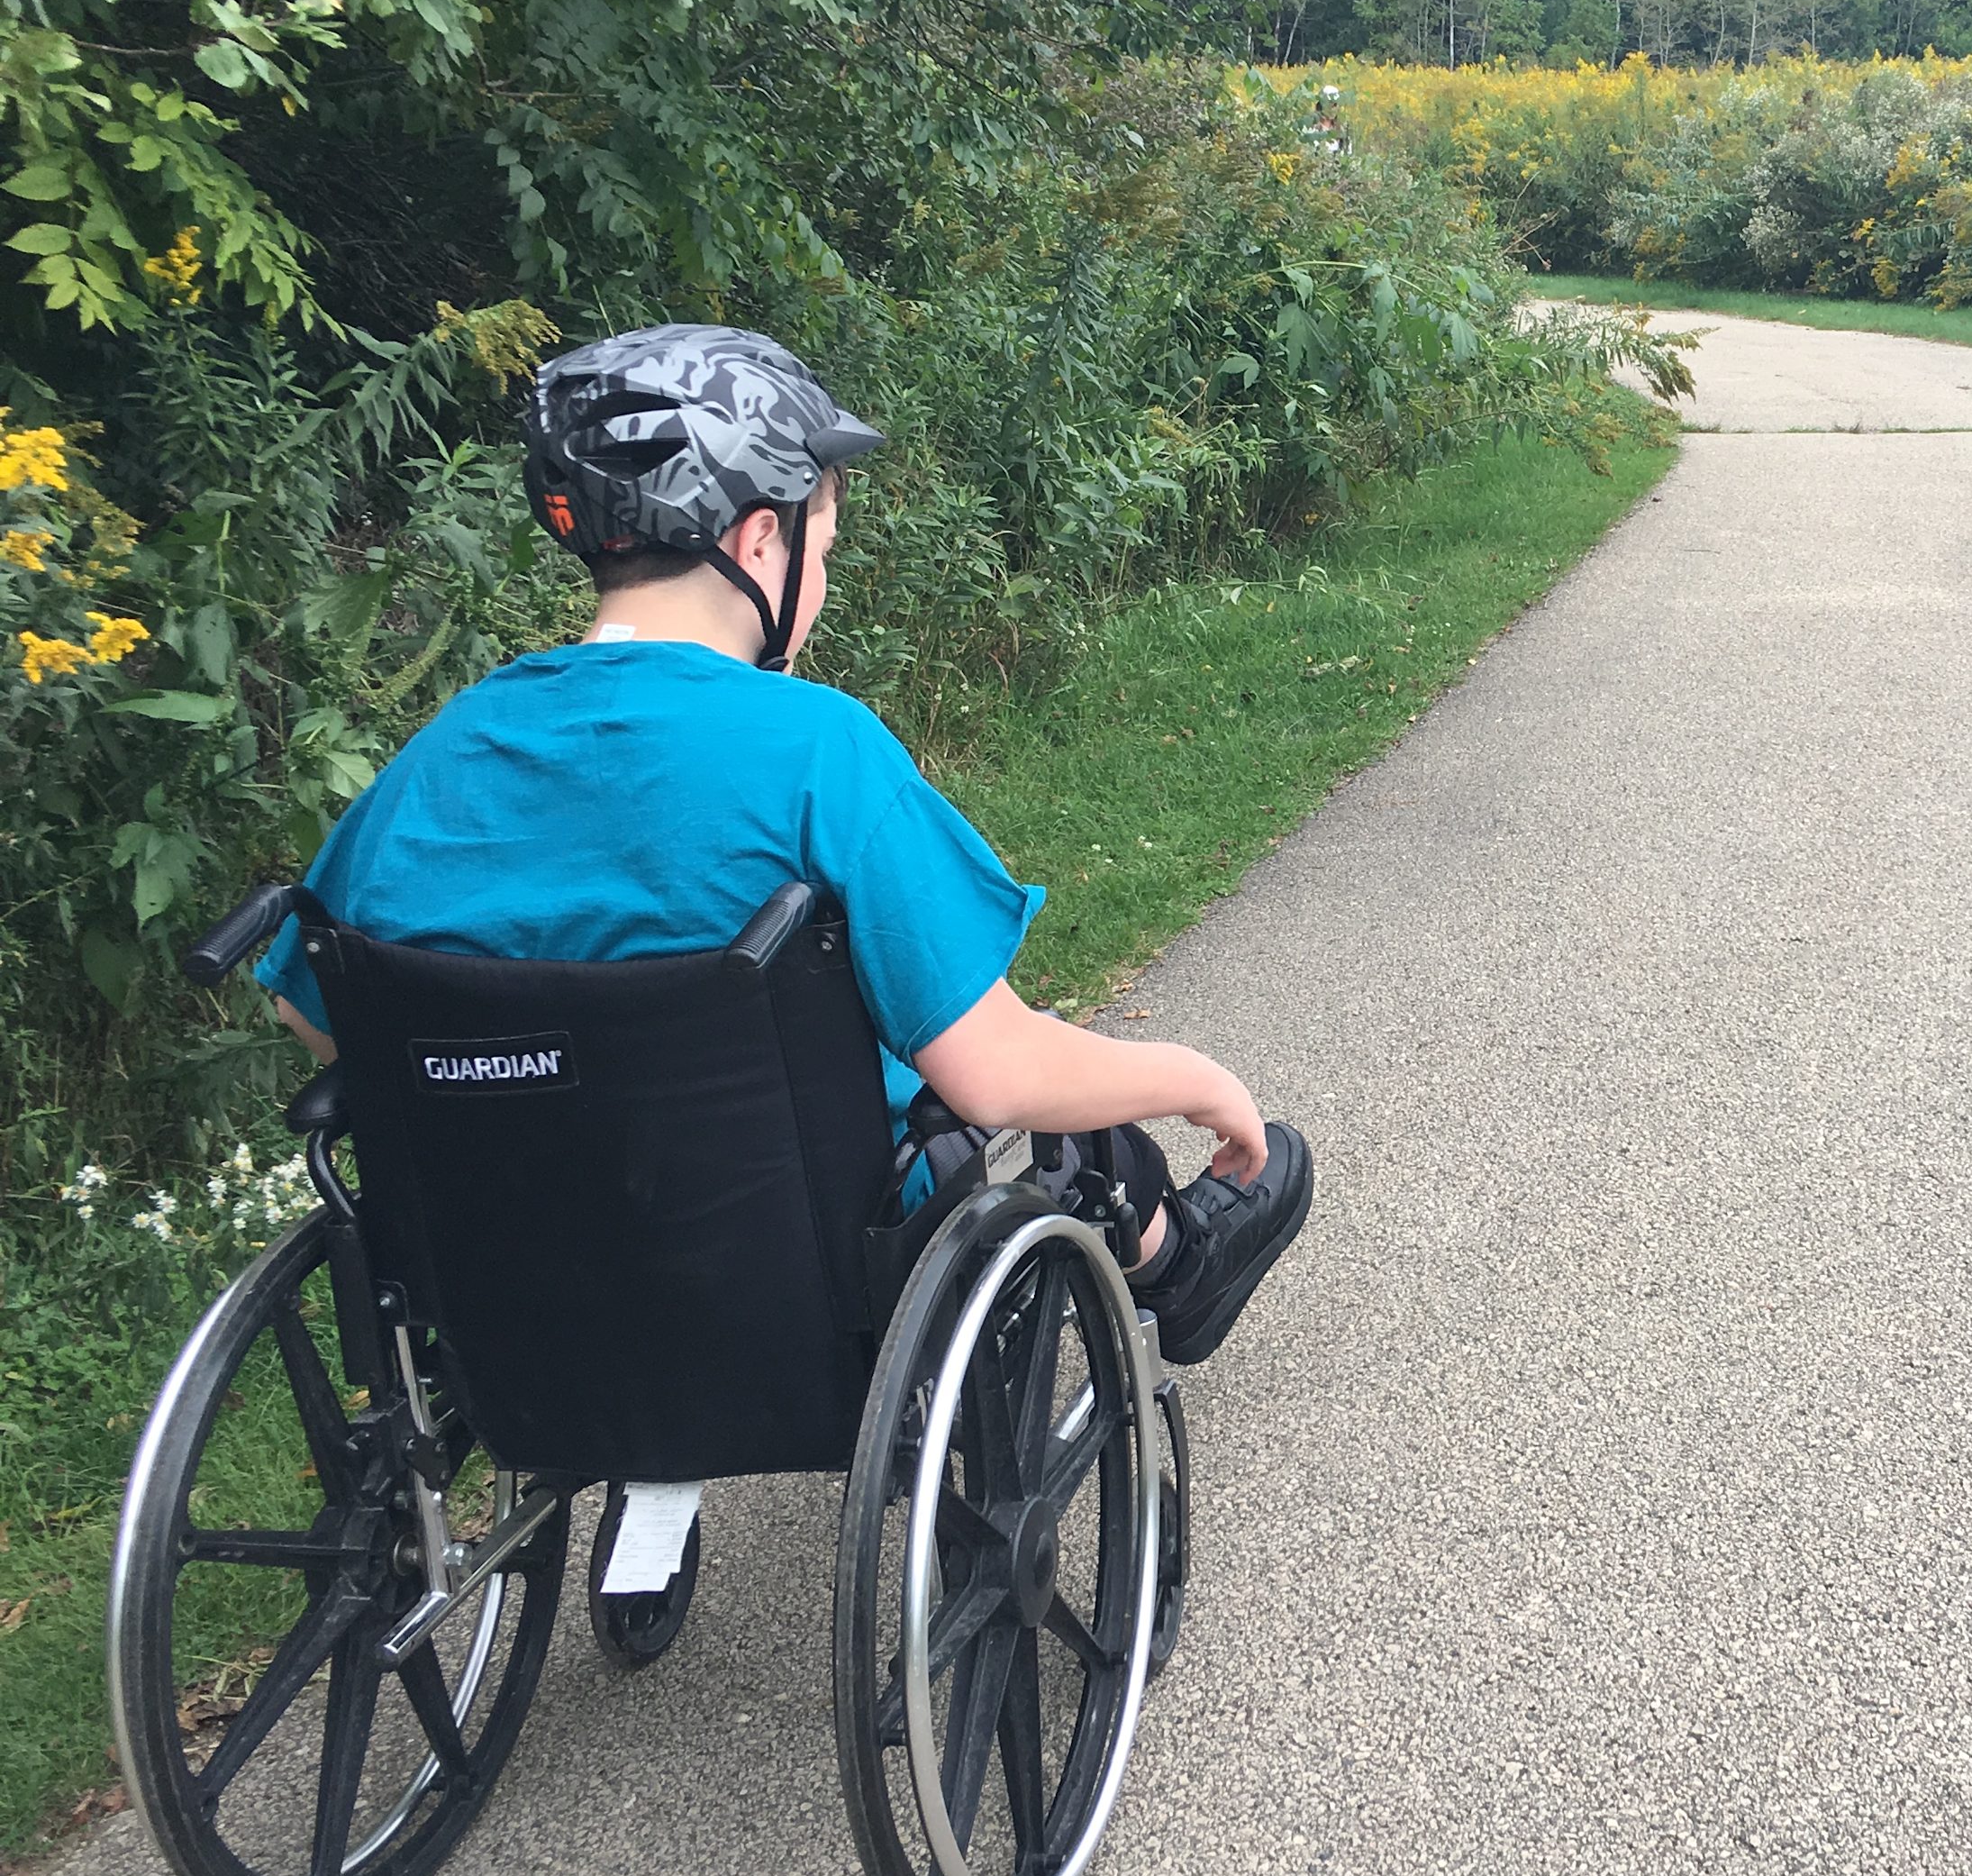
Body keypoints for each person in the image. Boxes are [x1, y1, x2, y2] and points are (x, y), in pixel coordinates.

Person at [255, 323, 1310, 1364]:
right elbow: (997, 1074)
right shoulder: (817, 752)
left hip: (515, 1277)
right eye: (823, 548)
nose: (817, 581)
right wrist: (1199, 1080)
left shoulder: (447, 754)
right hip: (793, 1275)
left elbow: (311, 1004)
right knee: (1052, 1098)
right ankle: (1180, 1256)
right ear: (760, 539)